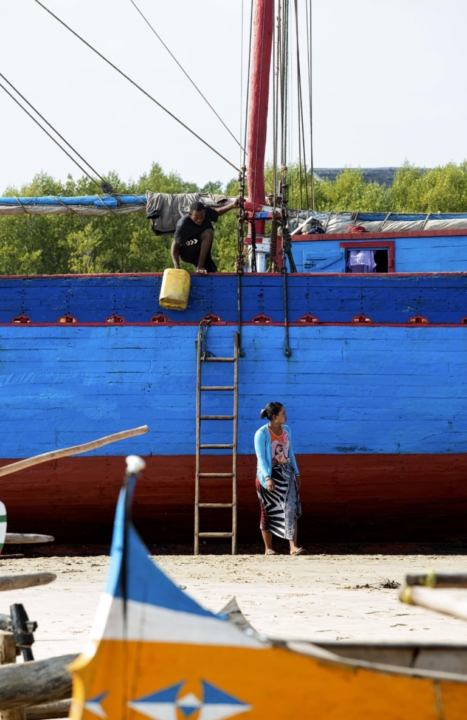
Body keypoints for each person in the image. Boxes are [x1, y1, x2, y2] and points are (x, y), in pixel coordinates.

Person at [254, 401, 304, 556]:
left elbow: (290, 453)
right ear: (275, 417)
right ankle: (268, 548)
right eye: (283, 413)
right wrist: (267, 478)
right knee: (268, 510)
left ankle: (293, 547)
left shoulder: (286, 430)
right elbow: (261, 459)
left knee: (291, 508)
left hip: (287, 474)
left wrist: (297, 473)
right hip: (268, 476)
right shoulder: (261, 433)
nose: (286, 415)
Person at [171, 199, 239, 275]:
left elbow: (216, 212)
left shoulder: (207, 211)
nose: (199, 220)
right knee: (208, 233)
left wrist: (232, 205)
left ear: (205, 212)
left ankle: (202, 266)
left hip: (200, 252)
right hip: (187, 252)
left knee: (213, 273)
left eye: (202, 217)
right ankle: (200, 266)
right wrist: (177, 267)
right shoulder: (182, 225)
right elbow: (174, 246)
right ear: (190, 214)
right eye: (196, 218)